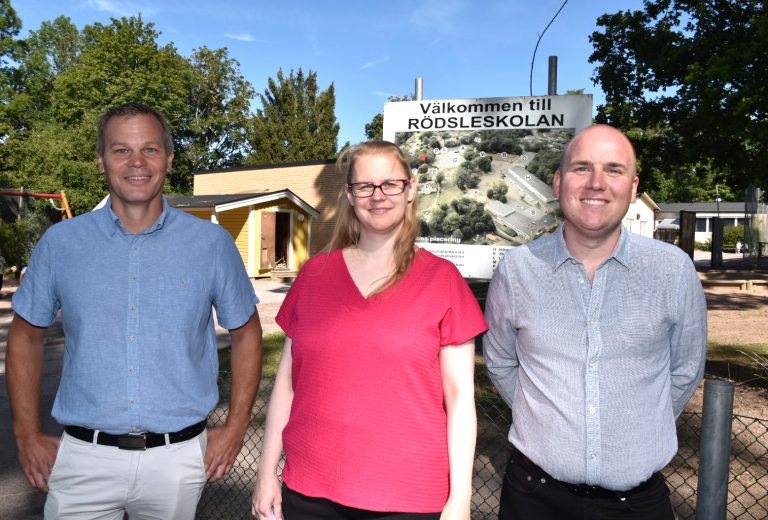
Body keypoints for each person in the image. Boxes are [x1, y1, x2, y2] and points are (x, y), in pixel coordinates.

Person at [6, 102, 263, 519]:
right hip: (82, 460)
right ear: (101, 160)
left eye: (151, 149)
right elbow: (25, 335)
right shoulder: (61, 244)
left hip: (177, 460)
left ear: (170, 158)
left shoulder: (211, 245)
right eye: (121, 150)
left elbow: (247, 333)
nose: (137, 162)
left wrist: (235, 429)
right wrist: (26, 434)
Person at [252, 141, 487, 519]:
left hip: (409, 498)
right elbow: (287, 384)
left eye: (390, 184)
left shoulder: (443, 281)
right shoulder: (314, 276)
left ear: (410, 190)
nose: (378, 196)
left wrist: (460, 499)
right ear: (349, 195)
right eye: (364, 186)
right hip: (310, 492)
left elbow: (460, 399)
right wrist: (266, 474)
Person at [483, 124, 707, 520]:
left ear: (634, 188)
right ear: (557, 182)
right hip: (533, 498)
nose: (597, 183)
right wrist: (545, 420)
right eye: (582, 168)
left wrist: (638, 426)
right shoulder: (517, 271)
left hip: (637, 505)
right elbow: (500, 361)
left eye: (614, 170)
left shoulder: (672, 272)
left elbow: (685, 370)